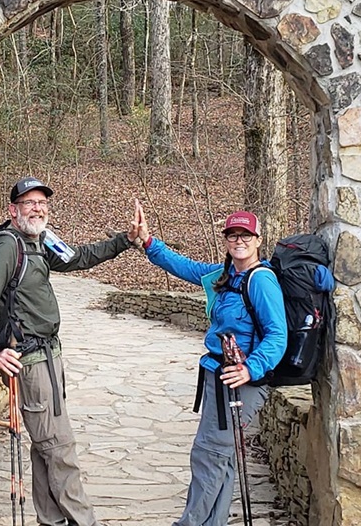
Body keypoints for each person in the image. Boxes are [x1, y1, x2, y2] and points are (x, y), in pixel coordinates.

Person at [0, 176, 142, 526]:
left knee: (45, 446)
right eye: (29, 203)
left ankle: (50, 520)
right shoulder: (8, 245)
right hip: (32, 362)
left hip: (51, 356)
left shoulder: (40, 240)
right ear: (13, 209)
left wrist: (124, 241)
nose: (37, 208)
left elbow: (78, 257)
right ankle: (84, 521)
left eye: (42, 203)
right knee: (60, 448)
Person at [133, 203, 287, 526]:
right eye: (232, 234)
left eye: (245, 234)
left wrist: (250, 368)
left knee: (208, 455)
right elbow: (184, 266)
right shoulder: (225, 275)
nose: (238, 240)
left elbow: (277, 336)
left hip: (241, 382)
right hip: (218, 375)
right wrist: (148, 242)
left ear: (258, 239)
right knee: (223, 459)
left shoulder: (261, 281)